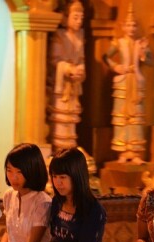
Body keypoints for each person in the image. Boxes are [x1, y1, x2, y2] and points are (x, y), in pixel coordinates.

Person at [103, 4, 151, 163]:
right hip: (123, 82)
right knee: (121, 117)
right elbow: (106, 57)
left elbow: (150, 62)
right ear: (123, 27)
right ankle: (123, 151)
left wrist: (144, 52)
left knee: (136, 117)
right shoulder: (118, 42)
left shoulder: (140, 43)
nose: (131, 28)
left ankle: (135, 151)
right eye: (129, 25)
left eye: (134, 25)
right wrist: (116, 66)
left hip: (136, 80)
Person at [47, 0, 85, 149]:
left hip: (74, 83)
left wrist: (80, 69)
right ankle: (60, 146)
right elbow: (54, 60)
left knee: (72, 117)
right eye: (75, 17)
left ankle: (70, 145)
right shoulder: (59, 36)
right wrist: (69, 69)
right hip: (61, 83)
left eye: (81, 18)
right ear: (66, 17)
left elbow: (81, 59)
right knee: (61, 117)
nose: (79, 21)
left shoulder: (80, 37)